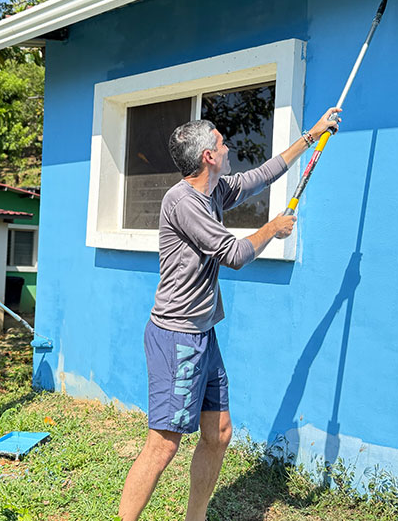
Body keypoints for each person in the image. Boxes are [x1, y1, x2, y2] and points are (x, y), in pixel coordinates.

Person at [117, 108, 342, 520]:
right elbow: (234, 255)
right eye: (221, 141)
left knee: (218, 434)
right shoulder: (182, 202)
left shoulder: (215, 191)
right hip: (177, 336)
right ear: (208, 156)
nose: (228, 146)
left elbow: (264, 174)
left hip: (203, 334)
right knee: (163, 444)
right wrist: (272, 229)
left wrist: (313, 134)